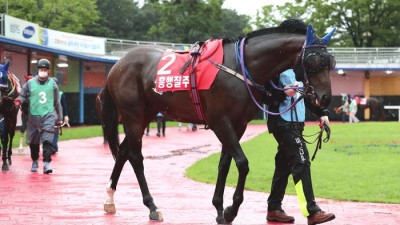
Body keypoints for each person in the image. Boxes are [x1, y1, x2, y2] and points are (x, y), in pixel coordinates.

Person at [264, 69, 335, 225]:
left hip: (297, 125)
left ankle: (274, 209)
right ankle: (312, 211)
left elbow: (305, 97)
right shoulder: (275, 65)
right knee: (301, 161)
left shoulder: (299, 68)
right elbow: (265, 96)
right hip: (282, 124)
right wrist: (284, 93)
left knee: (283, 167)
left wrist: (321, 112)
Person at [15, 59, 63, 174]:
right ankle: (35, 160)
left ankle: (47, 164)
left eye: (45, 70)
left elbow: (57, 102)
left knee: (47, 140)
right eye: (41, 69)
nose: (43, 71)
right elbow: (22, 95)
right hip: (33, 116)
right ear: (38, 70)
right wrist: (18, 101)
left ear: (48, 71)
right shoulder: (30, 83)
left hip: (49, 115)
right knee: (33, 142)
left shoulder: (53, 84)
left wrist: (60, 117)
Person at [51, 78, 69, 154]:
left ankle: (53, 146)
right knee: (54, 131)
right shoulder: (59, 94)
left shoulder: (60, 94)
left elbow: (64, 106)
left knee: (54, 131)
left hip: (56, 115)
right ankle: (53, 146)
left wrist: (65, 115)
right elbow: (64, 106)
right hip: (54, 115)